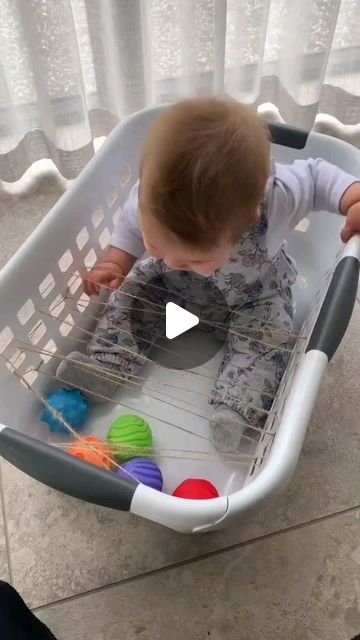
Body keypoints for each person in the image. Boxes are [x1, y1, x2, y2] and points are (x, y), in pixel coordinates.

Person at [57, 98, 360, 451]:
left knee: (269, 335)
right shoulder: (152, 196)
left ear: (247, 221)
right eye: (156, 245)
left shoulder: (277, 196)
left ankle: (236, 408)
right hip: (171, 292)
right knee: (133, 294)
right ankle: (104, 367)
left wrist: (353, 199)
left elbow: (320, 176)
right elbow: (128, 229)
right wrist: (114, 263)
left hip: (252, 296)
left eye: (189, 259)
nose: (169, 259)